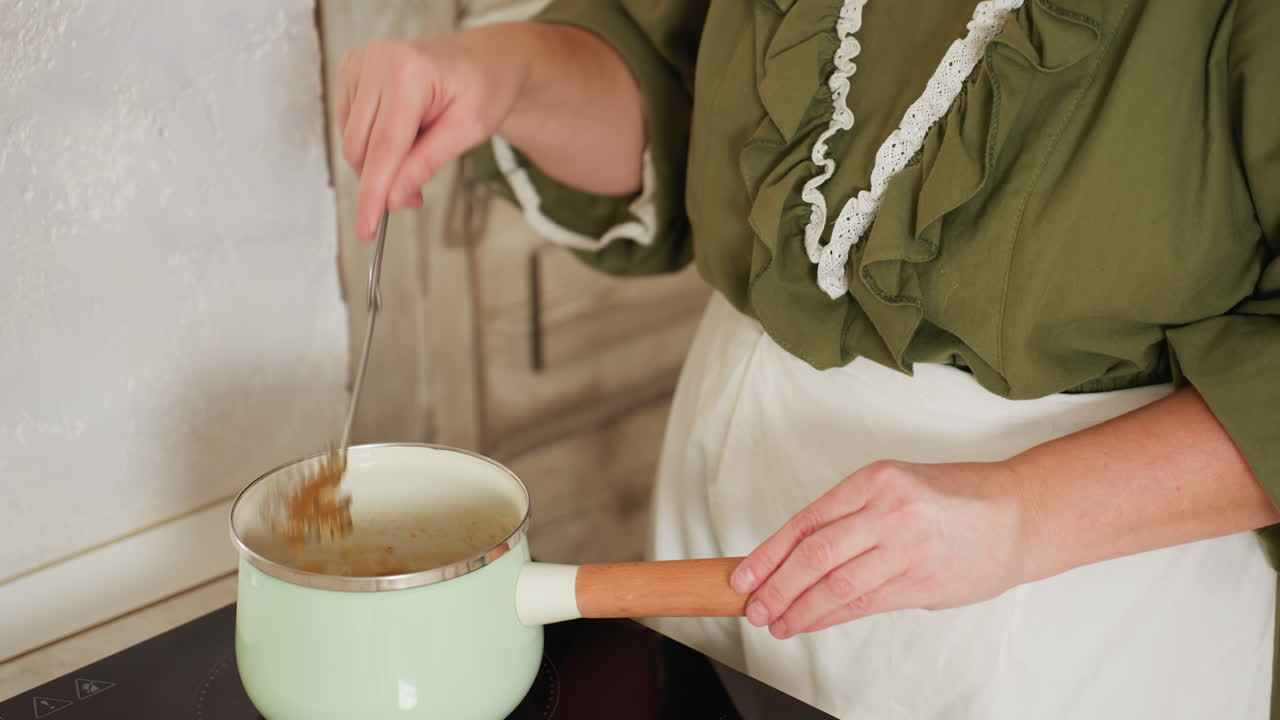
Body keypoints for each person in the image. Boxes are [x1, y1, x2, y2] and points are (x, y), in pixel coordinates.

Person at [334, 1, 1280, 717]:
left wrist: (1018, 512)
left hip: (1063, 592)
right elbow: (684, 92)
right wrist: (504, 76)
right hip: (728, 487)